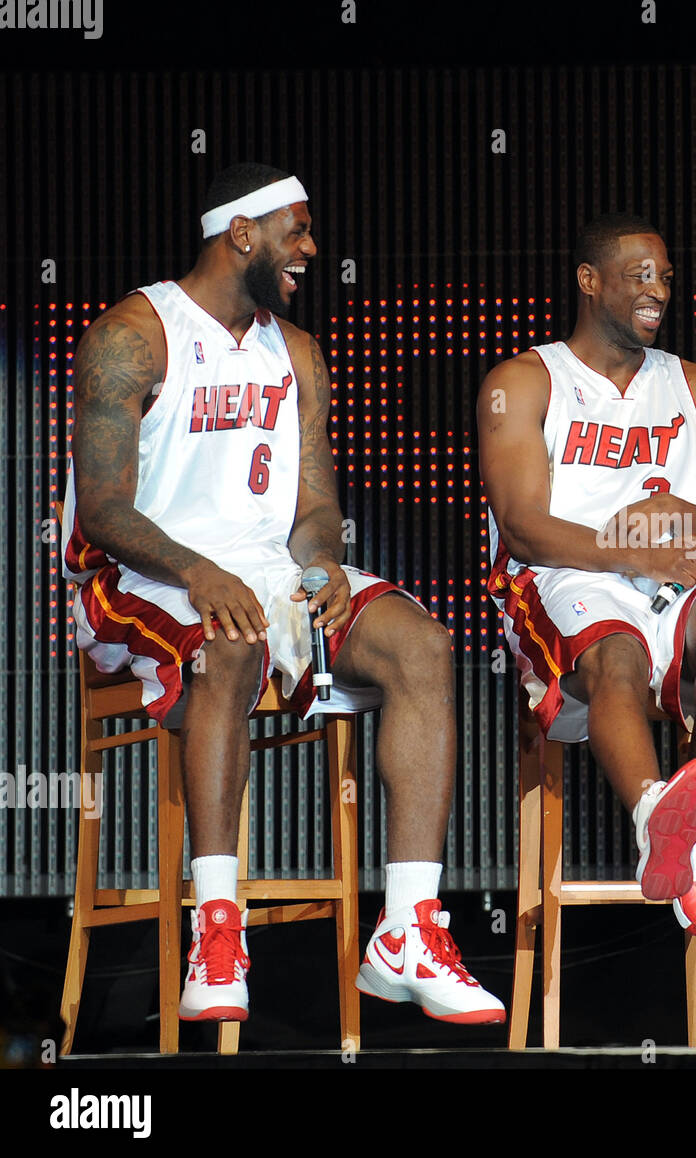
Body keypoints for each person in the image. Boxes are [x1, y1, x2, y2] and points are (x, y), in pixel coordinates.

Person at [62, 163, 504, 1028]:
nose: (310, 249)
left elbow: (312, 507)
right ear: (241, 235)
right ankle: (217, 928)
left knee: (424, 645)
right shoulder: (132, 333)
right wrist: (197, 571)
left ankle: (409, 930)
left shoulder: (296, 351)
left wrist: (321, 565)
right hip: (142, 577)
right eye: (296, 231)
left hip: (265, 569)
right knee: (226, 640)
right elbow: (106, 507)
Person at [478, 214, 696, 937]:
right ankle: (662, 820)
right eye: (641, 276)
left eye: (666, 279)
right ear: (589, 281)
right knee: (618, 653)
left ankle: (688, 823)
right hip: (563, 579)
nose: (659, 291)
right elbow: (521, 525)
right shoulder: (523, 380)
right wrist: (633, 550)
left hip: (672, 582)